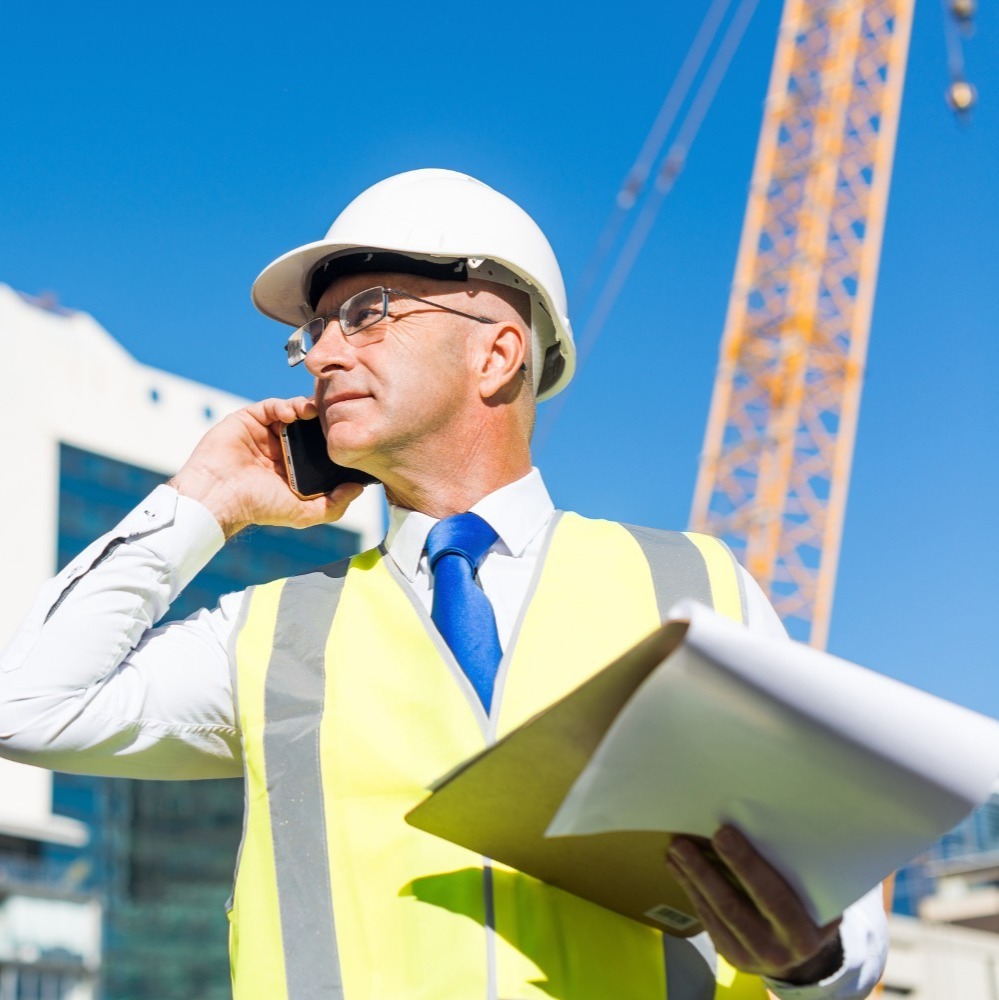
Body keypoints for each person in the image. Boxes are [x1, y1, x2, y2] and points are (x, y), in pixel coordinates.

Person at [0, 169, 887, 999]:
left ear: (498, 355)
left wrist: (811, 957)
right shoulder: (271, 633)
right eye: (314, 332)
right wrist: (204, 502)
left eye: (368, 313)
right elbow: (22, 704)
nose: (320, 357)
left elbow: (845, 916)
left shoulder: (695, 586)